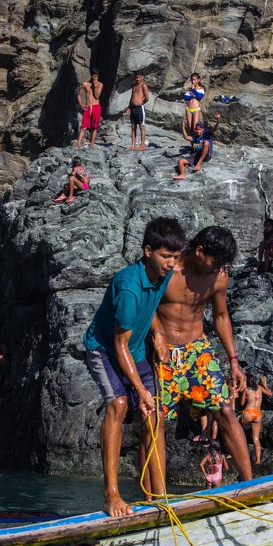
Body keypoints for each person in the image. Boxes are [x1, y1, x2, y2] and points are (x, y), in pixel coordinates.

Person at [83, 217, 186, 517]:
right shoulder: (128, 288)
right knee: (119, 403)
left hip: (137, 349)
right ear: (147, 251)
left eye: (175, 257)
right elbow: (119, 345)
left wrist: (157, 333)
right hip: (104, 349)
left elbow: (150, 307)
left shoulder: (162, 274)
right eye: (165, 256)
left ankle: (159, 495)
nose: (170, 264)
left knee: (155, 413)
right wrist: (140, 390)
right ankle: (110, 494)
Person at [151, 226, 254, 498]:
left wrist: (233, 360)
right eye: (216, 261)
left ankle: (250, 485)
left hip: (198, 351)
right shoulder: (167, 271)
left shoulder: (218, 277)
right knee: (155, 421)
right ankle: (157, 497)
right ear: (199, 251)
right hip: (164, 354)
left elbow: (221, 316)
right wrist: (157, 334)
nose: (219, 268)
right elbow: (145, 304)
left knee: (225, 410)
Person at [171, 114, 220, 180]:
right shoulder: (195, 137)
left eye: (200, 129)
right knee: (180, 161)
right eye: (196, 129)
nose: (198, 131)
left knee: (206, 142)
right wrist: (183, 127)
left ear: (203, 129)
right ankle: (182, 175)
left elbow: (214, 129)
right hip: (196, 155)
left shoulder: (207, 133)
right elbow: (186, 137)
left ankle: (199, 163)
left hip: (205, 155)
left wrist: (218, 121)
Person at [238, 374, 272, 464]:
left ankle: (240, 450)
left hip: (249, 412)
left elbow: (241, 404)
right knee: (256, 439)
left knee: (240, 430)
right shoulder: (260, 388)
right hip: (258, 415)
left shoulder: (246, 389)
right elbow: (270, 393)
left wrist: (243, 396)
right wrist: (264, 384)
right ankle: (258, 461)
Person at [75, 68, 104, 149]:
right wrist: (81, 104)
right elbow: (78, 95)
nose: (96, 78)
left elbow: (97, 96)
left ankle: (91, 145)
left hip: (96, 107)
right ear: (91, 75)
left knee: (95, 127)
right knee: (84, 126)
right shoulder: (85, 84)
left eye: (97, 76)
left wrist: (94, 86)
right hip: (88, 107)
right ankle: (78, 144)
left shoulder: (100, 84)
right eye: (94, 76)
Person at [125, 70, 150, 150]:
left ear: (142, 77)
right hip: (133, 108)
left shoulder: (143, 85)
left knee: (141, 127)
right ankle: (133, 145)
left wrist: (140, 103)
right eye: (137, 77)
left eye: (139, 77)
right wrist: (129, 108)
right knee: (133, 127)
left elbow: (147, 98)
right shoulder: (134, 86)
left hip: (140, 108)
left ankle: (142, 145)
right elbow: (131, 97)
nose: (138, 79)